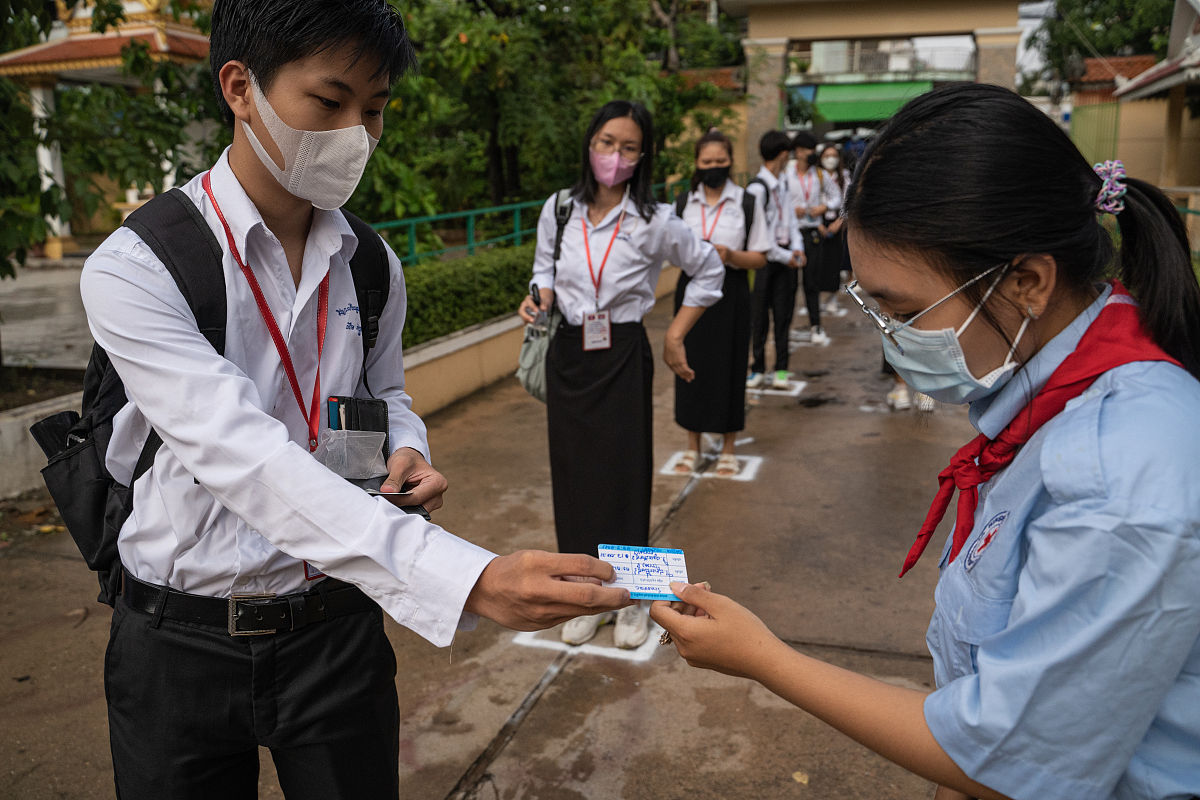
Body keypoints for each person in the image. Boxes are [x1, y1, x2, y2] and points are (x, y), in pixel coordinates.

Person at [80, 3, 631, 796]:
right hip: (177, 638)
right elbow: (238, 452)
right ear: (240, 87)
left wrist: (408, 445)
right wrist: (464, 579)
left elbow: (383, 390)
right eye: (330, 102)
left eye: (373, 110)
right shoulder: (139, 267)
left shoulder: (369, 262)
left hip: (334, 629)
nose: (357, 134)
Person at [653, 83, 1200, 800]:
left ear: (1027, 281)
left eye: (902, 310)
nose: (890, 336)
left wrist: (763, 658)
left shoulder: (1118, 478)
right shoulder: (1047, 398)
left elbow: (1011, 765)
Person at [517, 101, 724, 648]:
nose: (615, 156)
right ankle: (586, 593)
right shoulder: (560, 209)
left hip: (623, 353)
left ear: (643, 156)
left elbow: (708, 268)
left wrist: (676, 332)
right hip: (569, 350)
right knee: (574, 479)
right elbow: (544, 268)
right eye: (607, 142)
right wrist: (538, 299)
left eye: (629, 147)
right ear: (590, 143)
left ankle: (633, 599)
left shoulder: (655, 220)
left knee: (624, 477)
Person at [672, 129, 771, 477]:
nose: (714, 166)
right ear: (697, 164)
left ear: (730, 161)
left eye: (720, 160)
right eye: (706, 161)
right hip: (690, 290)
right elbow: (671, 253)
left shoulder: (745, 202)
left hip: (731, 291)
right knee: (688, 365)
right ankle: (692, 445)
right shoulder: (683, 203)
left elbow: (760, 257)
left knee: (729, 366)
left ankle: (728, 446)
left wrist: (730, 255)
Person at [745, 130, 806, 390]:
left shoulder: (781, 184)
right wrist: (785, 256)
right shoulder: (757, 189)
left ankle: (781, 369)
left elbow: (790, 220)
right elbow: (761, 235)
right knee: (760, 317)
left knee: (783, 317)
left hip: (786, 259)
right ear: (782, 154)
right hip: (766, 260)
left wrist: (798, 248)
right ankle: (757, 367)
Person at [784, 131, 831, 346]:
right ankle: (785, 327)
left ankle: (816, 325)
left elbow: (838, 196)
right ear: (799, 152)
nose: (812, 153)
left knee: (811, 283)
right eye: (808, 149)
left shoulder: (820, 174)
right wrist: (792, 210)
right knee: (789, 285)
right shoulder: (786, 174)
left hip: (812, 232)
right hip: (791, 233)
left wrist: (824, 207)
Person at [815, 143, 850, 320]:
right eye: (826, 155)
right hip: (818, 223)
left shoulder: (844, 177)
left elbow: (847, 202)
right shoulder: (816, 176)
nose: (830, 159)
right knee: (819, 263)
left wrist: (839, 222)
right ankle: (818, 298)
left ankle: (832, 298)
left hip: (836, 223)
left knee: (834, 262)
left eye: (833, 155)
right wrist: (818, 224)